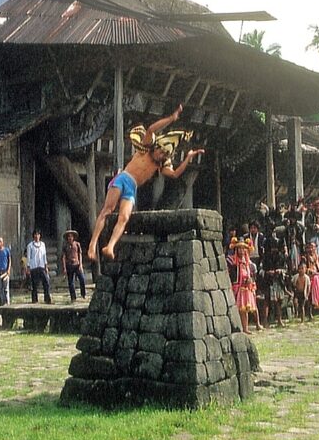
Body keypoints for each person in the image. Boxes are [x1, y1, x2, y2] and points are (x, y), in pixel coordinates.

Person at [88, 105, 204, 261]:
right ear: (157, 147)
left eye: (164, 154)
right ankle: (92, 245)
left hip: (132, 187)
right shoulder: (146, 148)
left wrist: (188, 158)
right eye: (161, 150)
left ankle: (110, 246)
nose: (161, 154)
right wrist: (171, 118)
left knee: (124, 217)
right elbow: (150, 130)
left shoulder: (160, 165)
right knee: (107, 210)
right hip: (123, 178)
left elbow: (175, 174)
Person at [230, 238, 257, 333]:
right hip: (238, 288)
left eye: (243, 248)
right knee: (239, 310)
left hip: (246, 288)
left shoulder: (247, 263)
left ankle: (245, 328)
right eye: (239, 249)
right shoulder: (234, 263)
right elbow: (233, 277)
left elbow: (252, 275)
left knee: (245, 310)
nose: (241, 251)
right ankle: (239, 327)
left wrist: (250, 280)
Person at [25, 230, 51, 304]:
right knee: (34, 285)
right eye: (35, 235)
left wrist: (46, 266)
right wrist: (28, 267)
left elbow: (44, 255)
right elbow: (29, 257)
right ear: (33, 236)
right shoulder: (30, 245)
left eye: (38, 234)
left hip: (42, 266)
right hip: (34, 267)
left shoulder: (42, 244)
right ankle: (34, 300)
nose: (37, 236)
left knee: (46, 282)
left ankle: (47, 299)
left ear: (40, 236)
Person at [60, 230, 86, 302]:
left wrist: (80, 264)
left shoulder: (77, 244)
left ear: (73, 237)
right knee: (71, 282)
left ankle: (83, 294)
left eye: (71, 236)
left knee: (82, 279)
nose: (70, 238)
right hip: (69, 265)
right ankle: (73, 297)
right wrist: (64, 267)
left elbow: (80, 254)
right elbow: (63, 257)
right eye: (69, 237)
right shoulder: (65, 246)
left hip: (77, 264)